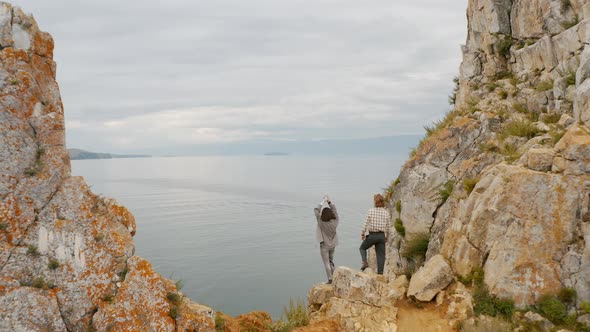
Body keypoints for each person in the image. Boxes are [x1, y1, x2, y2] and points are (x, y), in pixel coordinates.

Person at [359, 194, 391, 275]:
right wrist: (387, 237)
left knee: (362, 248)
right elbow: (388, 228)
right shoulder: (386, 213)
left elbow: (365, 224)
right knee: (381, 256)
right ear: (383, 202)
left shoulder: (371, 211)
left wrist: (363, 233)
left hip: (372, 235)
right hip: (381, 236)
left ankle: (365, 263)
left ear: (375, 202)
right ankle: (380, 274)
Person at [314, 195, 339, 284]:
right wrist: (329, 202)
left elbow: (316, 211)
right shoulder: (335, 221)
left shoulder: (321, 222)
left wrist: (322, 202)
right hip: (333, 245)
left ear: (323, 215)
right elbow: (335, 211)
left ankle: (330, 279)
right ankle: (335, 277)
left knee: (326, 263)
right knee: (331, 261)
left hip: (324, 246)